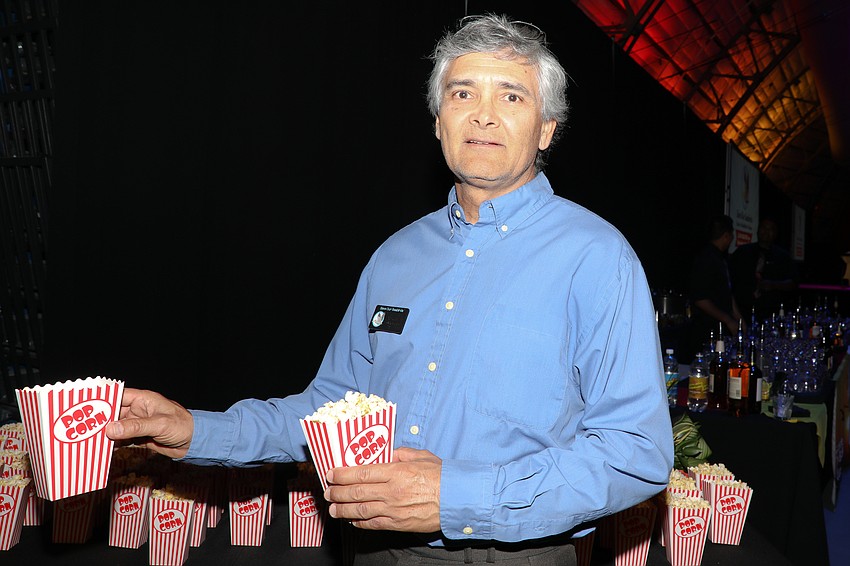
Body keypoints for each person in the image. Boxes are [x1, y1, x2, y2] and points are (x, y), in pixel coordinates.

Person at [106, 14, 673, 565]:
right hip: (373, 545)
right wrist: (194, 430)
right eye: (462, 94)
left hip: (512, 555)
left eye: (512, 97)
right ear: (437, 121)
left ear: (546, 128)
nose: (484, 116)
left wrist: (455, 498)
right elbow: (329, 410)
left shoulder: (598, 257)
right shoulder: (396, 256)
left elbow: (637, 454)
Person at [684, 214, 746, 362]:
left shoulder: (721, 259)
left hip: (720, 331)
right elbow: (700, 299)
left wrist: (739, 319)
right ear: (726, 236)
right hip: (705, 331)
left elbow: (727, 293)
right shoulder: (705, 258)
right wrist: (728, 320)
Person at [729, 217, 798, 323]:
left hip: (771, 313)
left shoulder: (783, 256)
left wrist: (773, 285)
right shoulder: (743, 252)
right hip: (743, 312)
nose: (766, 232)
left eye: (770, 229)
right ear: (757, 230)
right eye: (763, 228)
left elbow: (793, 283)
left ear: (775, 233)